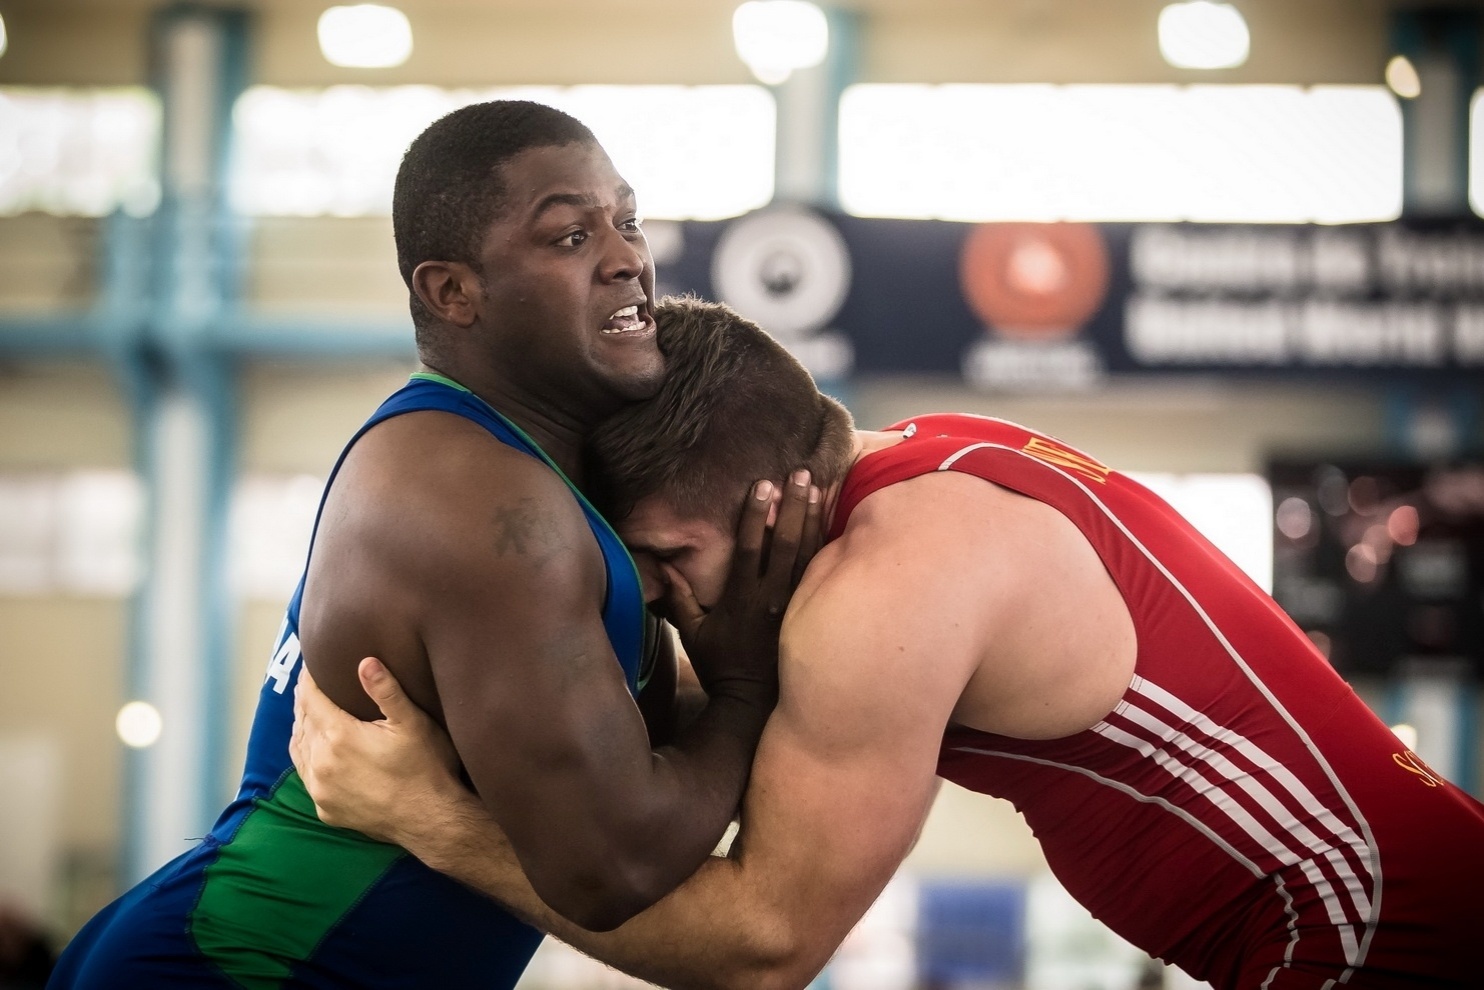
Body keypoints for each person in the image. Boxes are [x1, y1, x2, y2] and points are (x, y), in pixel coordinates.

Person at [293, 295, 1484, 990]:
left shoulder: (885, 586)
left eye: (668, 562)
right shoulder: (928, 456)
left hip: (1372, 933)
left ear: (771, 509)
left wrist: (433, 822)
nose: (657, 603)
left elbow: (767, 945)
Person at [47, 103, 819, 990]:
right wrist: (747, 684)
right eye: (571, 236)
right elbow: (613, 867)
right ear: (453, 291)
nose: (626, 259)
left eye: (628, 220)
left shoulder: (512, 477)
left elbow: (613, 765)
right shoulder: (483, 503)